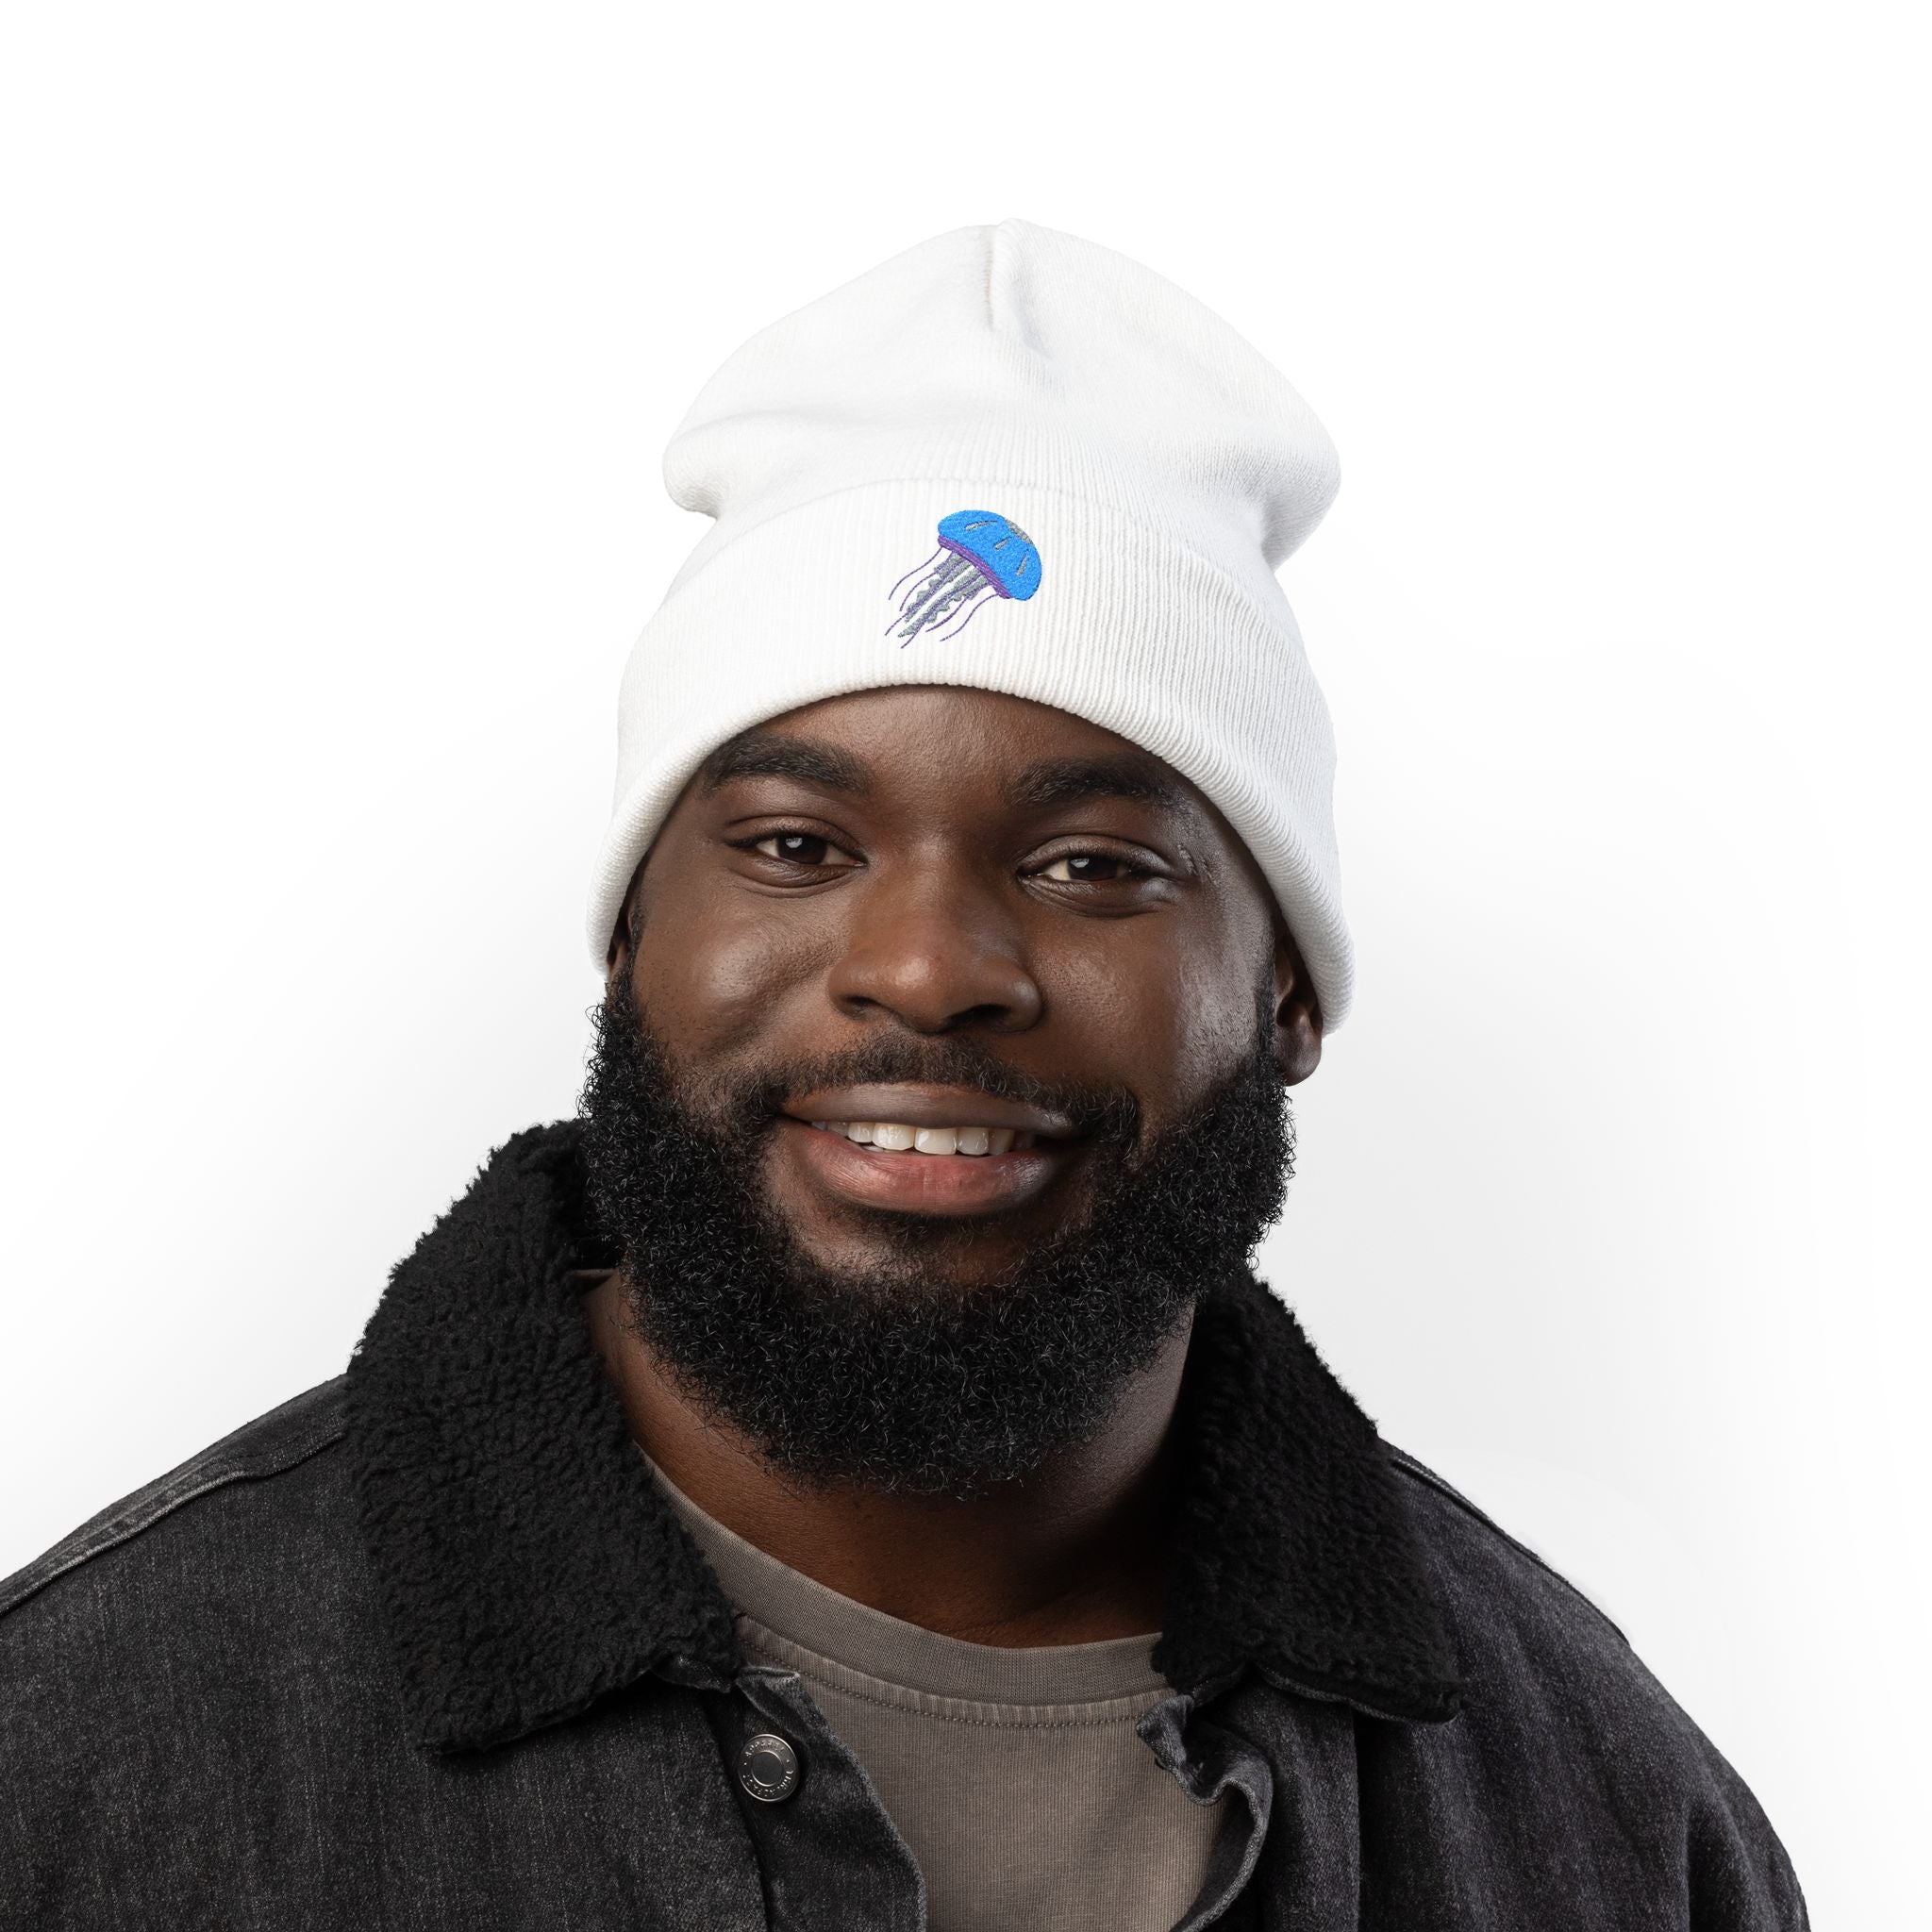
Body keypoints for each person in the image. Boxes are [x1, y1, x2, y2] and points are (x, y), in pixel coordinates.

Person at [0, 220, 1807, 1931]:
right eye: (796, 846)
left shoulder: (1603, 1816)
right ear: (630, 937)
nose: (930, 969)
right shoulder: (83, 1755)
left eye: (1095, 864)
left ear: (1286, 999)